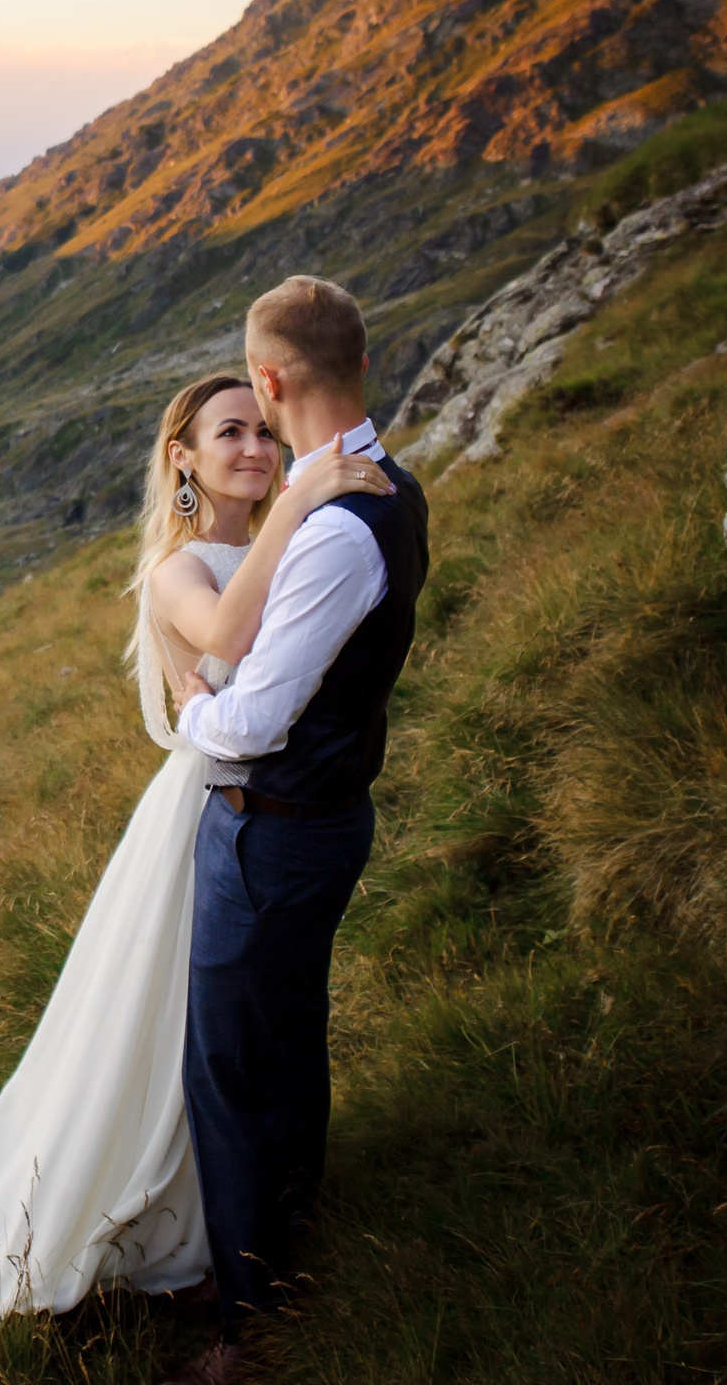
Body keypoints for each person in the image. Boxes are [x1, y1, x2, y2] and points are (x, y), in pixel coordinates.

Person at [0, 369, 395, 1346]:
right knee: (181, 1025)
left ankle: (240, 1208)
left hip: (259, 800)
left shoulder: (274, 538)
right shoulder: (179, 564)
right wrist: (303, 498)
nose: (256, 449)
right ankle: (175, 1223)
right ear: (183, 459)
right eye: (230, 434)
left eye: (265, 433)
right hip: (207, 806)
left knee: (235, 1025)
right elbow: (227, 632)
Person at [167, 274, 429, 1385]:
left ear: (267, 380)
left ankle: (247, 1325)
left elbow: (253, 722)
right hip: (324, 817)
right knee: (285, 1043)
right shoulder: (393, 486)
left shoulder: (332, 530)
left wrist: (193, 711)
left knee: (231, 1073)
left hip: (271, 830)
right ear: (360, 361)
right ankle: (283, 1237)